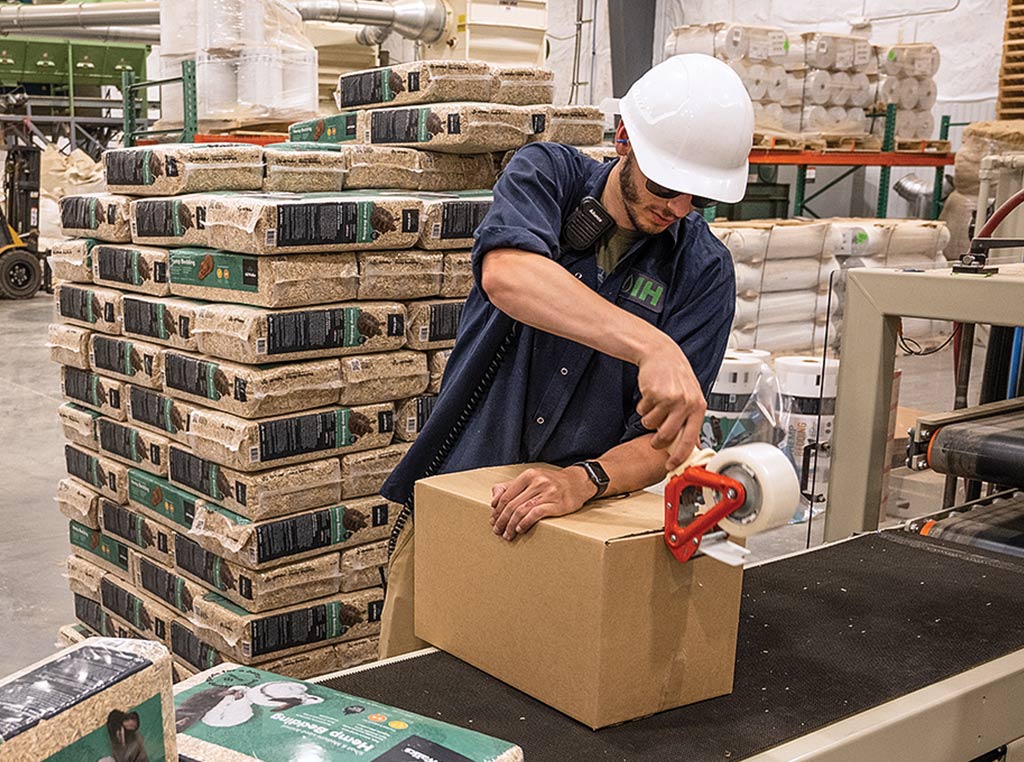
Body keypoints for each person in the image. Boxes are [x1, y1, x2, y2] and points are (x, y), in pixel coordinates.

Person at [377, 53, 754, 658]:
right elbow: (510, 276)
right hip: (458, 496)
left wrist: (587, 480)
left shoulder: (703, 271)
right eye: (666, 186)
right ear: (624, 140)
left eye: (699, 198)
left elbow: (666, 440)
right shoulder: (546, 175)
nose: (678, 209)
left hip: (573, 527)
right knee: (408, 708)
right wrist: (651, 343)